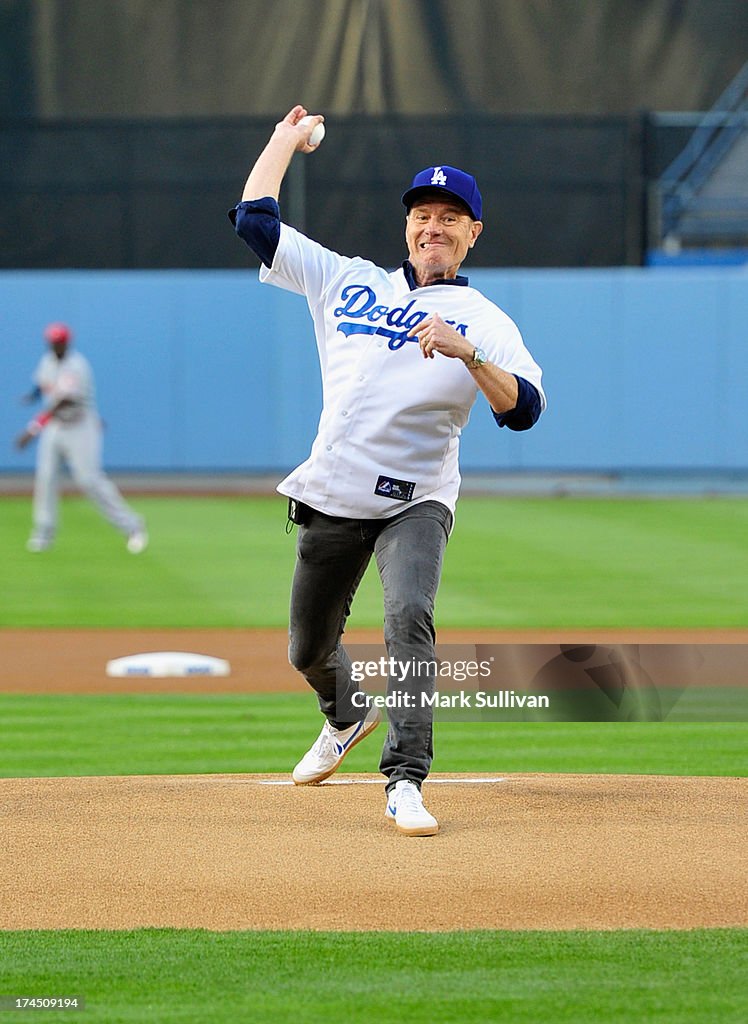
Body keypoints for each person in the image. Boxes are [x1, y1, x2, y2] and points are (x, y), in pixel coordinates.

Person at [229, 105, 546, 836]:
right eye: (422, 214)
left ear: (473, 234)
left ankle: (405, 779)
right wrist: (284, 140)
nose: (433, 226)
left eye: (450, 217)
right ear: (408, 227)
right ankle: (346, 714)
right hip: (335, 492)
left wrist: (469, 354)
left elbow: (524, 408)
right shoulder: (349, 281)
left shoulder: (487, 320)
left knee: (408, 615)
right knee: (306, 647)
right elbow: (254, 220)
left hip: (416, 500)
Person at [15, 322, 148, 554]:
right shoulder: (47, 361)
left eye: (59, 341)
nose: (55, 344)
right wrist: (32, 395)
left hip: (80, 426)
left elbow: (61, 402)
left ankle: (132, 526)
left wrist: (33, 428)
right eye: (52, 341)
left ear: (67, 342)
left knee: (89, 480)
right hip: (56, 427)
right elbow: (42, 383)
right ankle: (44, 532)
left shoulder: (76, 366)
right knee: (45, 478)